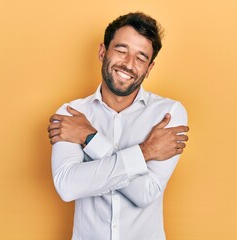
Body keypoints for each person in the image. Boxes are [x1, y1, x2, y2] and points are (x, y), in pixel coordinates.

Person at [47, 12, 189, 240]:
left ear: (149, 68)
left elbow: (146, 193)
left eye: (141, 58)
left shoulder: (169, 114)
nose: (129, 64)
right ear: (103, 52)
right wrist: (146, 152)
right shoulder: (71, 114)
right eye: (121, 50)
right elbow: (68, 186)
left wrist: (90, 139)